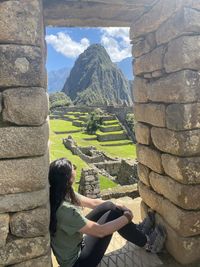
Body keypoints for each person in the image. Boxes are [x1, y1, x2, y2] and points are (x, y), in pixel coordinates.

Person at [49, 158, 166, 267]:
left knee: (111, 207)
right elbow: (101, 232)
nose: (75, 168)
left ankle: (138, 232)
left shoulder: (60, 191)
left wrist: (117, 205)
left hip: (76, 242)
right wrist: (127, 217)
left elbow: (93, 203)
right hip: (78, 262)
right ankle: (148, 243)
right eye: (72, 168)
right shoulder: (66, 211)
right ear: (67, 178)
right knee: (116, 216)